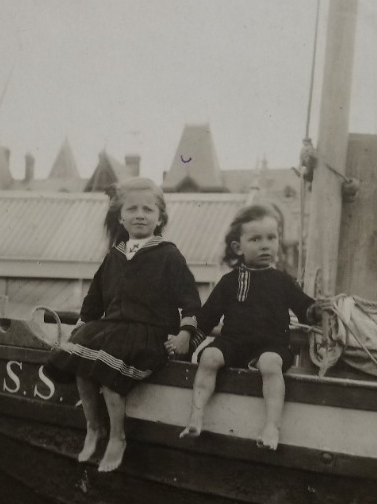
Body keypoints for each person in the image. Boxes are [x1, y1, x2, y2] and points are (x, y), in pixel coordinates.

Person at [47, 178, 201, 472]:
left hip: (149, 334)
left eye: (148, 209)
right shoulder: (115, 255)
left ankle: (118, 436)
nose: (140, 215)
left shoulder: (168, 254)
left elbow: (191, 301)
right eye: (132, 209)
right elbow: (94, 300)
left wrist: (185, 333)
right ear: (121, 217)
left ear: (160, 217)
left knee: (107, 369)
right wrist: (83, 326)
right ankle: (94, 427)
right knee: (80, 362)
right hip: (114, 328)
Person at [181, 202, 315, 450]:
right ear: (237, 246)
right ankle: (196, 415)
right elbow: (207, 317)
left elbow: (304, 307)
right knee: (209, 356)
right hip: (232, 344)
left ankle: (272, 426)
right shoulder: (229, 282)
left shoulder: (283, 281)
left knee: (270, 363)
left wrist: (316, 311)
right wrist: (187, 345)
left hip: (271, 346)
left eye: (271, 238)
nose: (265, 245)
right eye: (255, 239)